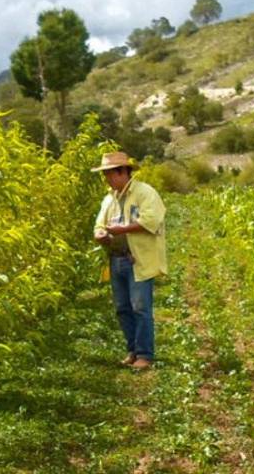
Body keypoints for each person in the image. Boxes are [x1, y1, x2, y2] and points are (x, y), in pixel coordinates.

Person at [92, 152, 167, 370]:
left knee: (140, 307)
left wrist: (122, 229)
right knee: (123, 308)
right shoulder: (109, 199)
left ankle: (145, 355)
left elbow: (152, 221)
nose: (107, 178)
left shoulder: (145, 193)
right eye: (105, 174)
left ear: (124, 172)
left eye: (109, 174)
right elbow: (99, 224)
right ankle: (132, 351)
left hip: (137, 259)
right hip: (116, 259)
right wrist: (100, 235)